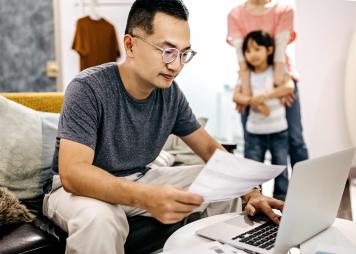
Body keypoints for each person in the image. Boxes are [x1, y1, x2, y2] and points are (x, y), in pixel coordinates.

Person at [42, 1, 284, 253]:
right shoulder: (88, 88)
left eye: (183, 54)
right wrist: (145, 196)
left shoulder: (170, 95)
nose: (176, 65)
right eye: (167, 51)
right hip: (75, 192)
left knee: (222, 185)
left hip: (139, 177)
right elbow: (73, 173)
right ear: (130, 45)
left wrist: (251, 191)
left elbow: (211, 149)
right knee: (100, 219)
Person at [227, 0, 308, 168]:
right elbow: (241, 57)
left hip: (281, 78)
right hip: (249, 82)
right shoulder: (235, 14)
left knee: (295, 139)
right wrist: (248, 95)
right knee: (251, 142)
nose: (253, 54)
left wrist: (277, 86)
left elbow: (279, 52)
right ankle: (254, 193)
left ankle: (305, 190)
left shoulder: (284, 10)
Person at [234, 30, 295, 200]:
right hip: (255, 133)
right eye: (247, 51)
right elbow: (236, 95)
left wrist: (266, 96)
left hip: (279, 131)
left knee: (281, 168)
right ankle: (255, 201)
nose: (251, 55)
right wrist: (251, 100)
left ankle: (282, 200)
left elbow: (289, 87)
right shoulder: (246, 76)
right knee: (253, 171)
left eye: (256, 49)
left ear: (269, 50)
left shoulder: (276, 72)